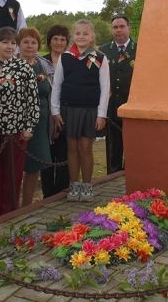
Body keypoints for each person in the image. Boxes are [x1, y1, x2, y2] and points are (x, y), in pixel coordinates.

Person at [51, 20, 109, 202]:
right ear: (73, 37)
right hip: (68, 109)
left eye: (85, 33)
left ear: (92, 36)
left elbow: (105, 87)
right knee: (72, 147)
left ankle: (87, 185)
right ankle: (74, 184)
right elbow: (57, 85)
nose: (81, 37)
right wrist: (55, 111)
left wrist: (101, 114)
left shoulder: (100, 57)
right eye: (78, 33)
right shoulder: (65, 57)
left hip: (90, 110)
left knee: (85, 147)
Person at [0, 27, 39, 218]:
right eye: (5, 42)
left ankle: (9, 212)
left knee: (12, 175)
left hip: (16, 131)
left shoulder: (23, 67)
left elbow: (32, 98)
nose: (10, 47)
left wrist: (29, 126)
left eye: (13, 43)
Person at [17, 27, 54, 206]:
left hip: (41, 122)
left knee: (34, 166)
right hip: (18, 121)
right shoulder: (12, 64)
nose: (30, 46)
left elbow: (51, 92)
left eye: (34, 42)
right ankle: (11, 205)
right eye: (26, 42)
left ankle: (27, 205)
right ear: (19, 44)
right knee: (16, 165)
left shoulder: (44, 66)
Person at [98, 16, 137, 174]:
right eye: (115, 27)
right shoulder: (103, 50)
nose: (119, 30)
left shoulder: (139, 49)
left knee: (132, 145)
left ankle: (131, 175)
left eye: (122, 27)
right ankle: (112, 176)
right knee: (113, 146)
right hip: (112, 106)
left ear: (129, 28)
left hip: (131, 105)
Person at [40, 24, 71, 198]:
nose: (59, 43)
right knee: (46, 155)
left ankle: (61, 191)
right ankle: (47, 193)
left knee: (63, 154)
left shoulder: (71, 61)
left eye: (62, 39)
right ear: (49, 41)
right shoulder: (41, 62)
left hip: (65, 114)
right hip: (46, 116)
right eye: (55, 39)